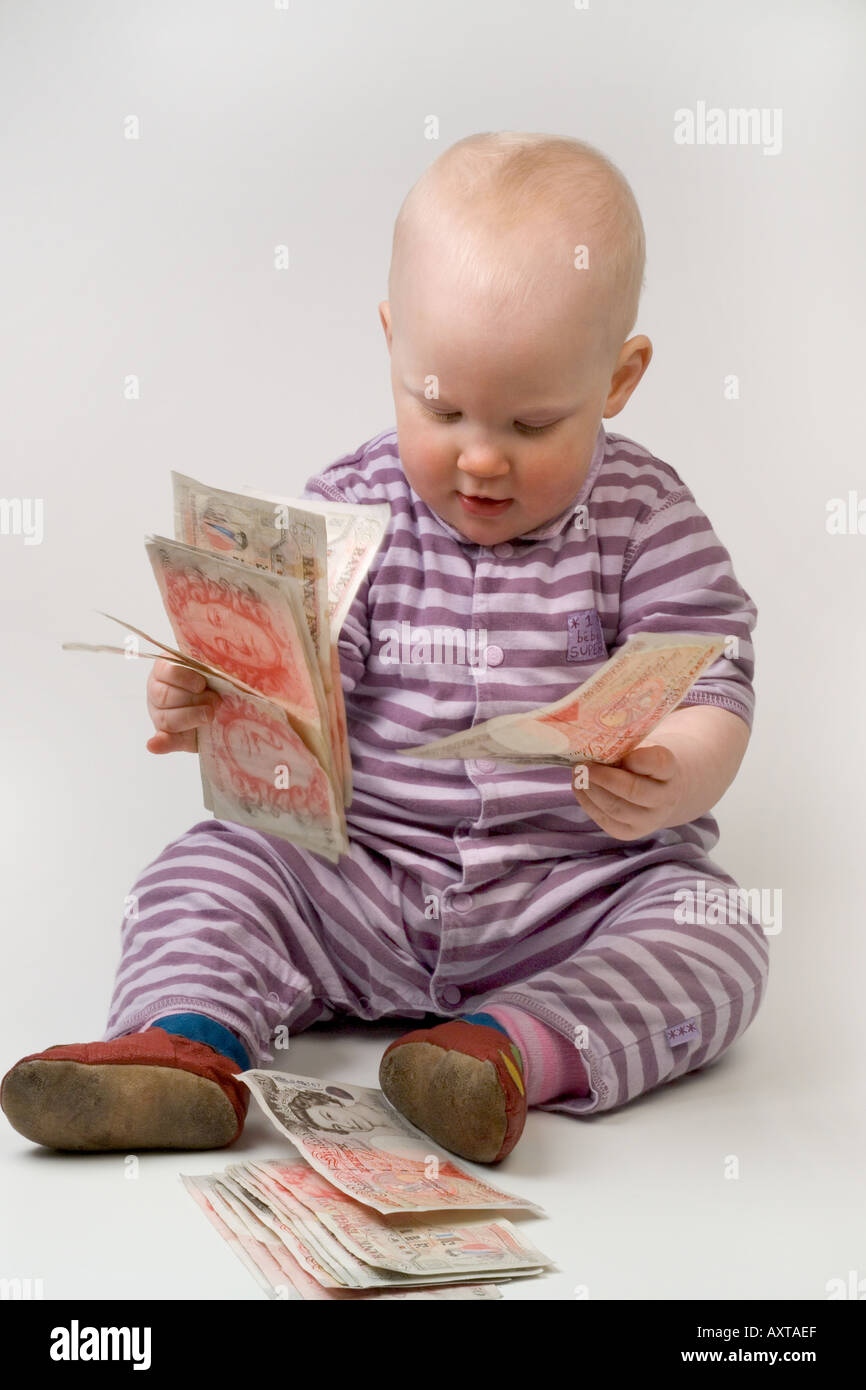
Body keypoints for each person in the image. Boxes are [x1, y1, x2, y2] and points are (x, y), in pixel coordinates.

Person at [1, 132, 768, 1165]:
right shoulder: (351, 505)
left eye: (533, 422)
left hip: (572, 891)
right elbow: (295, 680)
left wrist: (672, 771)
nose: (481, 455)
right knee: (210, 867)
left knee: (715, 930)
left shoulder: (647, 516)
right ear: (392, 342)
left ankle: (502, 1051)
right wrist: (211, 694)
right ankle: (183, 1042)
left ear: (617, 378)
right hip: (358, 880)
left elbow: (709, 675)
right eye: (439, 406)